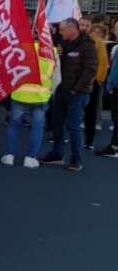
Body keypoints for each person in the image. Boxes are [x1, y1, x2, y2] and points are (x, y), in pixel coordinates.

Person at [40, 18, 97, 172]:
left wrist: (76, 89)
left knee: (73, 127)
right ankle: (57, 154)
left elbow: (90, 70)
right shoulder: (64, 44)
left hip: (77, 94)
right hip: (61, 91)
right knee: (57, 124)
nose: (60, 32)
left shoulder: (87, 45)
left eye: (62, 29)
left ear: (72, 29)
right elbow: (59, 66)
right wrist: (58, 55)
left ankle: (76, 160)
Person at [2, 39, 58, 168]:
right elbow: (56, 77)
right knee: (37, 128)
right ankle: (30, 158)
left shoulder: (18, 48)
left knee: (14, 126)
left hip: (20, 94)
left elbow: (9, 70)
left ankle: (9, 156)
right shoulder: (52, 51)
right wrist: (52, 91)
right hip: (41, 96)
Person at [83, 23, 109, 150]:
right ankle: (88, 139)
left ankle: (89, 139)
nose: (95, 33)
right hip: (85, 81)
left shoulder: (98, 43)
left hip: (90, 82)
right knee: (88, 111)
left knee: (90, 110)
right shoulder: (80, 40)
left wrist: (97, 80)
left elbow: (103, 64)